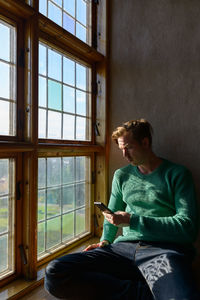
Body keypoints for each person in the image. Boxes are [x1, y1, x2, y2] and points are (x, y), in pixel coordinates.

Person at [45, 119, 199, 300]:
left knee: (182, 297)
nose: (125, 155)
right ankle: (145, 293)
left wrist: (133, 220)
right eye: (121, 149)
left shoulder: (177, 174)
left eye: (129, 148)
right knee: (56, 272)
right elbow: (111, 213)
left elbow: (187, 228)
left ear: (145, 142)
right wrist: (104, 241)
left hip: (161, 252)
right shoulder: (122, 175)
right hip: (122, 251)